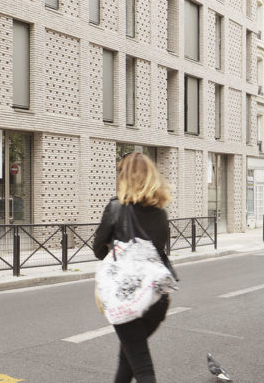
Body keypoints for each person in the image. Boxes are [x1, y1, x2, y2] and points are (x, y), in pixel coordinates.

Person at [93, 151, 177, 383]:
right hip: (156, 298)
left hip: (127, 295)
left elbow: (98, 249)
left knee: (142, 368)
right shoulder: (161, 213)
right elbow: (159, 251)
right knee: (128, 359)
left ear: (124, 177)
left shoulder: (115, 208)